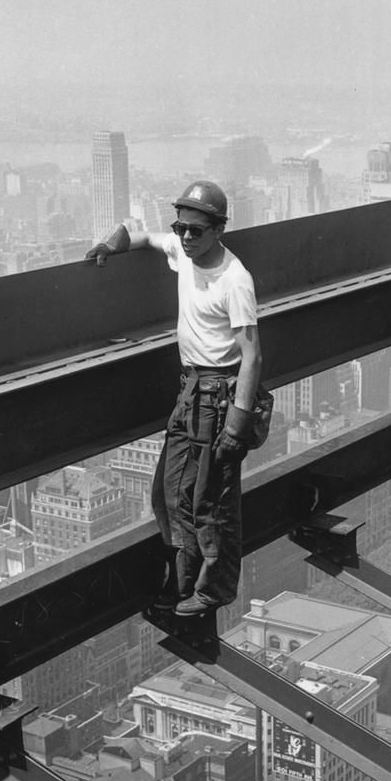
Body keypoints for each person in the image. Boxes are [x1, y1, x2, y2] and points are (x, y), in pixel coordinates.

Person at [87, 180, 261, 617]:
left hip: (219, 397)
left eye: (196, 230)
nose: (185, 236)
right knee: (169, 493)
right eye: (180, 227)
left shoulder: (234, 280)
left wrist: (237, 425)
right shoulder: (184, 253)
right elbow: (140, 234)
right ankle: (184, 584)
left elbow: (253, 354)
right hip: (190, 390)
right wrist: (110, 243)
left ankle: (211, 591)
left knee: (210, 500)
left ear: (219, 229)